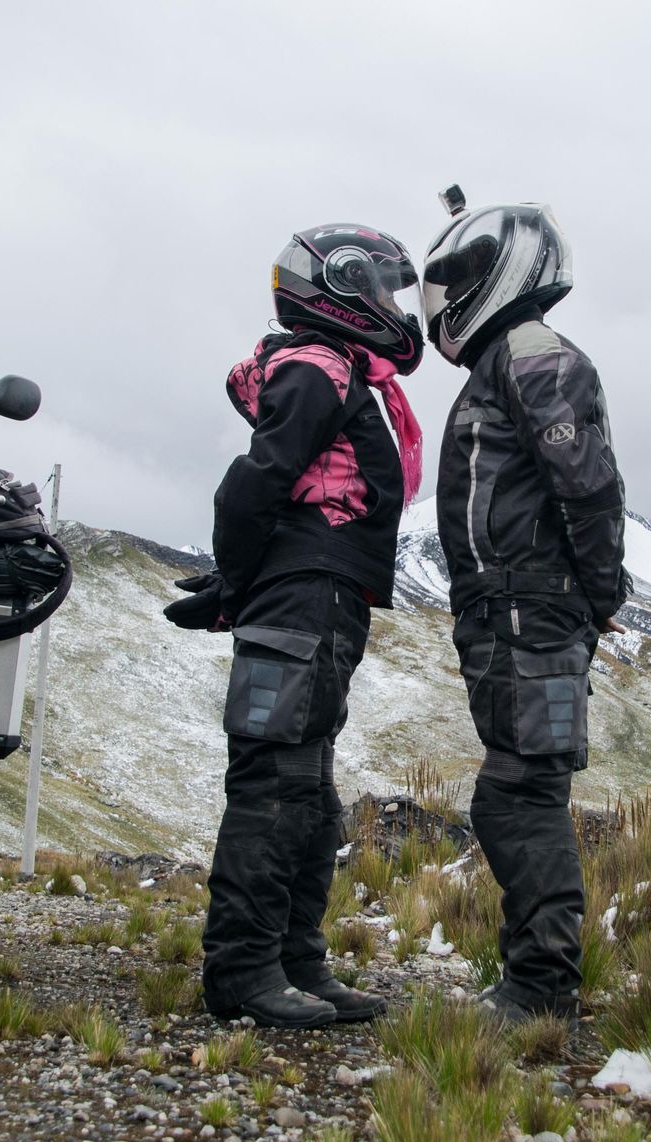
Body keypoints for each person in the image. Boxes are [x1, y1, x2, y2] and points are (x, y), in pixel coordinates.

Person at [166, 225, 425, 1029]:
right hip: (300, 592)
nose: (391, 304)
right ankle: (242, 972)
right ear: (337, 286)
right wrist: (237, 583)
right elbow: (256, 482)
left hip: (326, 593)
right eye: (378, 286)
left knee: (309, 792)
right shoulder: (317, 366)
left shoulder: (339, 369)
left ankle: (297, 962)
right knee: (275, 784)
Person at [422, 188, 630, 1027]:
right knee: (520, 792)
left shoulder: (533, 351)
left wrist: (596, 593)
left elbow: (586, 483)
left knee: (518, 796)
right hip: (513, 612)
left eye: (464, 274)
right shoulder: (513, 355)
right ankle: (537, 979)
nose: (449, 298)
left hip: (528, 612)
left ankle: (542, 988)